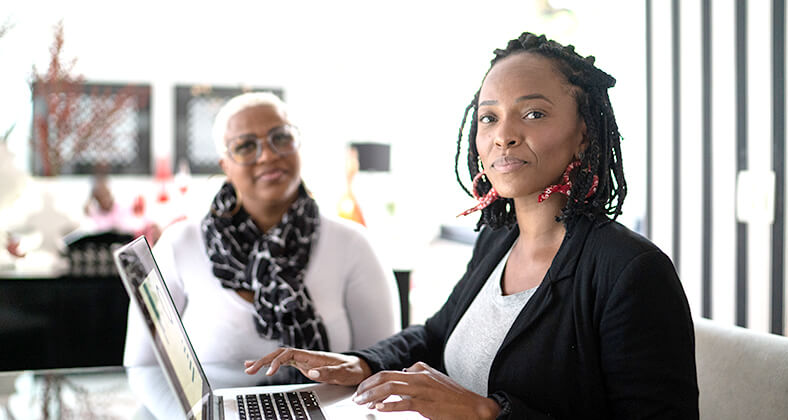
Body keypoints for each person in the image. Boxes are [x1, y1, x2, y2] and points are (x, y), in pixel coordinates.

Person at [243, 33, 699, 419]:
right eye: (489, 117)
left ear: (583, 134)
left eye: (533, 113)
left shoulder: (631, 271)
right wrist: (359, 363)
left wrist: (488, 412)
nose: (504, 134)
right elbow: (436, 335)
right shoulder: (499, 240)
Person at [123, 92, 400, 374]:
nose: (268, 155)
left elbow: (381, 364)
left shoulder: (354, 245)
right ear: (225, 166)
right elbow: (143, 367)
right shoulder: (178, 246)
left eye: (280, 138)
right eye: (245, 146)